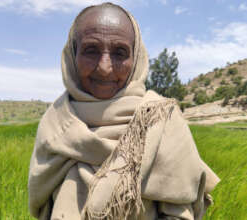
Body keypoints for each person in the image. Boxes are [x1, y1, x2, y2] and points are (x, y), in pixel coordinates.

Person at [28, 3, 220, 220]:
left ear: (136, 58)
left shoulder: (161, 120)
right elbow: (44, 208)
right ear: (72, 55)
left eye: (120, 53)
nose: (105, 67)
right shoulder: (55, 121)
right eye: (91, 50)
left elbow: (180, 213)